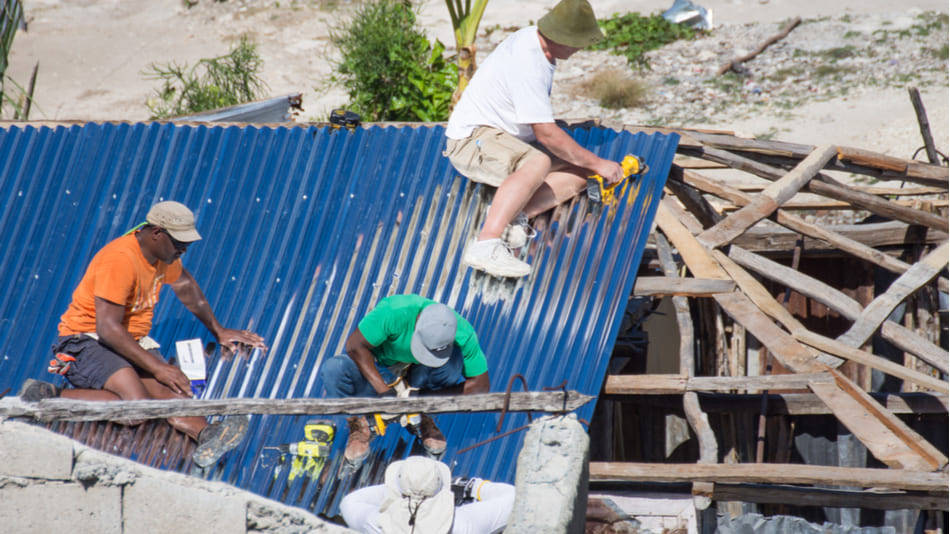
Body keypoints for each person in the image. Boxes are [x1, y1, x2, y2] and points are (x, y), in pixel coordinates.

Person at [28, 201, 267, 468]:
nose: (183, 249)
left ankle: (209, 435)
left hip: (127, 342)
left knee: (175, 394)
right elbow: (107, 329)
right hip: (84, 342)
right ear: (157, 233)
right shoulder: (120, 259)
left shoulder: (163, 257)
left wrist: (218, 330)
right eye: (179, 242)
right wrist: (159, 368)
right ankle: (48, 398)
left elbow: (185, 285)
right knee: (137, 407)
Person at [444, 0, 625, 278]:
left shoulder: (538, 45)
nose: (579, 49)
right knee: (538, 161)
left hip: (503, 137)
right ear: (561, 38)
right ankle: (486, 243)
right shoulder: (529, 61)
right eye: (577, 42)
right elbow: (545, 133)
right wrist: (601, 162)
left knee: (583, 172)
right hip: (472, 140)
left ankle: (515, 214)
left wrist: (594, 166)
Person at [319, 294, 490, 465]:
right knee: (333, 370)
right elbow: (354, 345)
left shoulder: (462, 332)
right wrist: (384, 393)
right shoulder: (394, 312)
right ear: (417, 323)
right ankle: (359, 425)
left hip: (421, 377)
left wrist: (422, 399)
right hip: (382, 369)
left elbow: (480, 387)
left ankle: (422, 417)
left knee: (453, 363)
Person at [339, 456, 515, 534]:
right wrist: (471, 487)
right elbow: (513, 497)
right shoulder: (461, 524)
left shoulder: (376, 524)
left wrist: (397, 490)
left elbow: (350, 501)